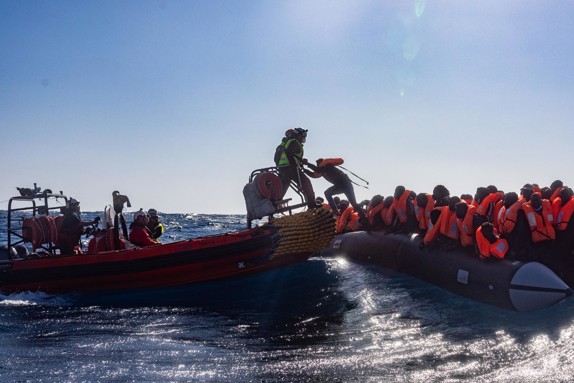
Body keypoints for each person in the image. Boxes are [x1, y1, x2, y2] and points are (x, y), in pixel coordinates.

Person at [304, 157, 368, 224]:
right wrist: (304, 169)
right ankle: (335, 210)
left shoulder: (328, 166)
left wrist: (307, 164)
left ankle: (364, 218)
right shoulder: (322, 170)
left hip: (345, 184)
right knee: (327, 193)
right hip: (340, 186)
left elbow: (317, 169)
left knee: (353, 203)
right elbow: (314, 175)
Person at [275, 127, 316, 209]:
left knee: (282, 189)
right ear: (299, 135)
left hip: (282, 169)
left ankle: (274, 206)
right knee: (306, 183)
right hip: (291, 169)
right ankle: (312, 206)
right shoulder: (294, 142)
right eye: (303, 135)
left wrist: (300, 162)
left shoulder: (284, 143)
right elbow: (290, 155)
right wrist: (299, 163)